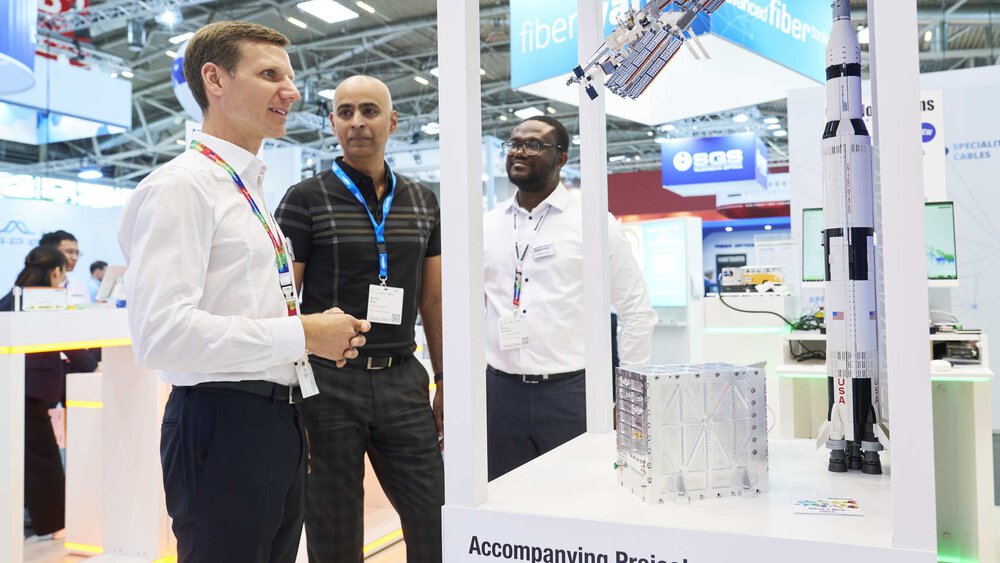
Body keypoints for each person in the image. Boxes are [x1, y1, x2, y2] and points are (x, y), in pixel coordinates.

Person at [117, 21, 370, 563]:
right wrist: (300, 332)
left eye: (291, 77)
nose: (293, 91)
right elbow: (161, 335)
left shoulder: (245, 188)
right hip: (222, 422)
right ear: (215, 79)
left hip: (275, 419)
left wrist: (304, 339)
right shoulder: (181, 187)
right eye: (270, 74)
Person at [275, 75, 444, 563]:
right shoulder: (304, 199)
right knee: (333, 528)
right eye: (345, 112)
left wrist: (445, 379)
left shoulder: (422, 200)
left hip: (402, 380)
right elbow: (285, 301)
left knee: (434, 518)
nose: (357, 122)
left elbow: (432, 302)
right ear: (332, 124)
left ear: (392, 121)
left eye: (369, 111)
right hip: (328, 383)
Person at [483, 116, 658, 480]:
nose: (519, 151)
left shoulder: (593, 221)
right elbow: (467, 311)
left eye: (533, 144)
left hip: (572, 394)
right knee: (504, 506)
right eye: (513, 143)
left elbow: (637, 311)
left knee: (580, 503)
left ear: (561, 158)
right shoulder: (488, 224)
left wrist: (627, 401)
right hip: (499, 394)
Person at [0, 246, 98, 541]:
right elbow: (65, 338)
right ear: (55, 271)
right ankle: (54, 524)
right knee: (44, 459)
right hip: (32, 390)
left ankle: (41, 520)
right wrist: (91, 366)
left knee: (29, 458)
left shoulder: (13, 296)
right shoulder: (44, 299)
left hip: (17, 387)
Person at [39, 230, 87, 305]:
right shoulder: (32, 286)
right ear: (50, 252)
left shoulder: (79, 287)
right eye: (69, 252)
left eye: (77, 253)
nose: (75, 258)